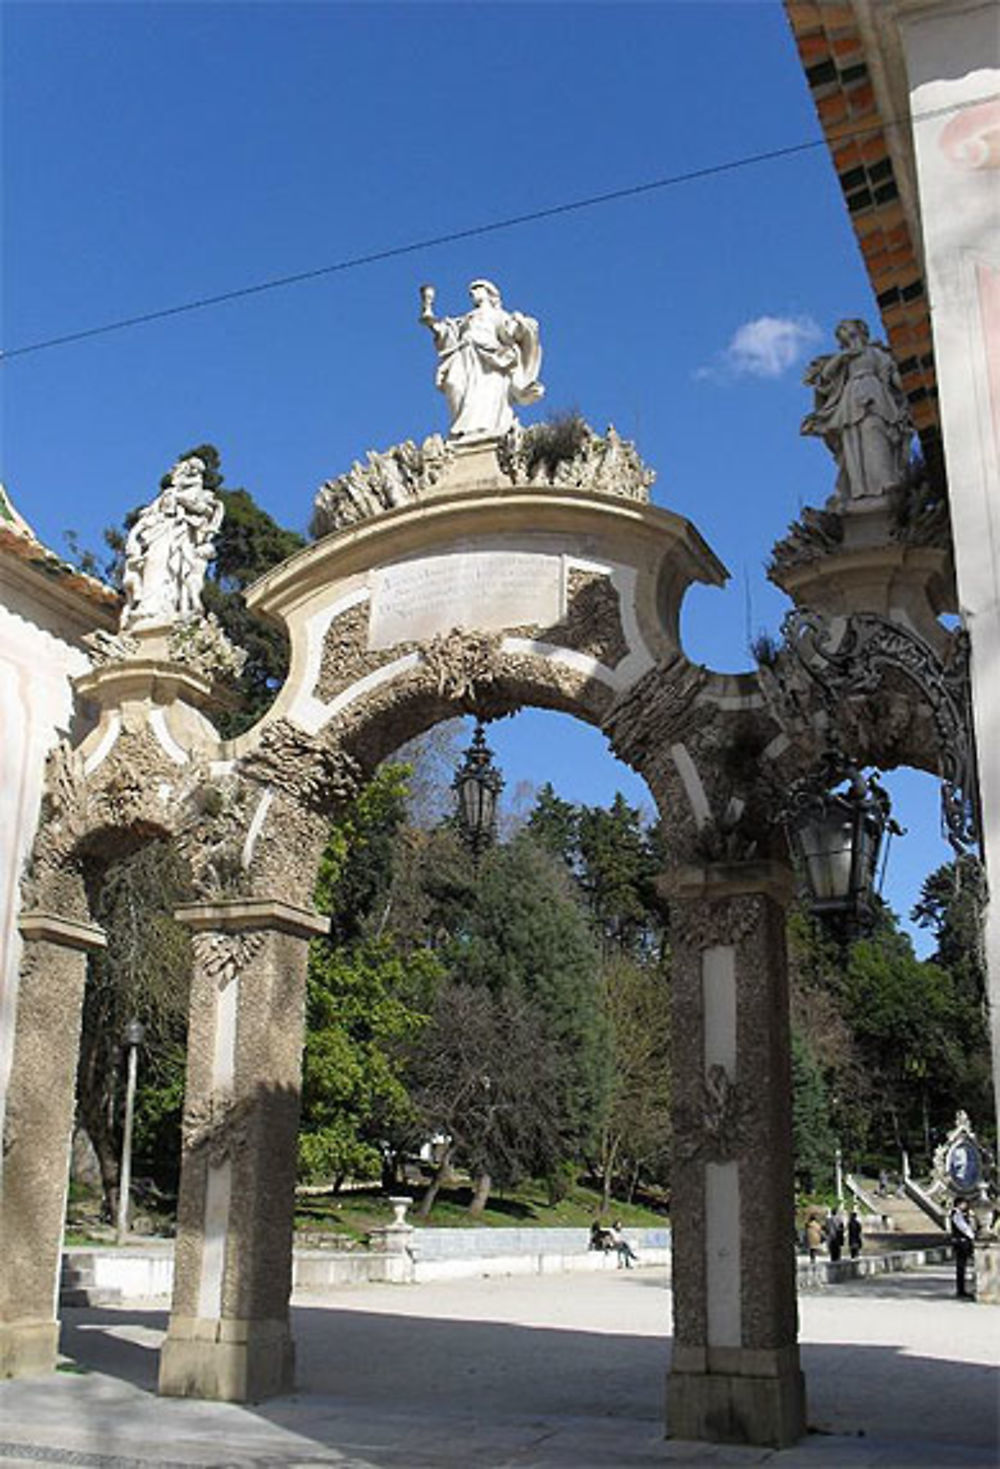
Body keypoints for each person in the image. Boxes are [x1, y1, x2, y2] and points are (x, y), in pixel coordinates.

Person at [801, 318, 913, 506]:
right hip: (851, 401)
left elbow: (892, 376)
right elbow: (826, 377)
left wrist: (909, 385)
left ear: (860, 330)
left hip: (876, 394)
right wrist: (842, 357)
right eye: (840, 331)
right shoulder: (844, 359)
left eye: (846, 328)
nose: (844, 332)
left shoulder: (875, 353)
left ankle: (885, 481)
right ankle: (858, 489)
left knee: (875, 431)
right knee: (852, 441)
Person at [419, 278, 544, 439]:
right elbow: (448, 335)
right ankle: (461, 431)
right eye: (472, 290)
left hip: (490, 358)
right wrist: (432, 323)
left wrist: (522, 324)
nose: (472, 293)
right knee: (453, 384)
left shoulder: (498, 315)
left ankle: (480, 432)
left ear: (489, 294)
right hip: (464, 354)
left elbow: (511, 334)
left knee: (485, 394)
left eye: (477, 289)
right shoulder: (466, 317)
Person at [122, 456, 224, 629]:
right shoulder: (168, 494)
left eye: (196, 472)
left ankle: (165, 608)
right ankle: (149, 607)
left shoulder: (201, 495)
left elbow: (204, 511)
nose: (192, 475)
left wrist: (183, 501)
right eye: (189, 470)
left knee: (173, 569)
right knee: (153, 565)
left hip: (179, 536)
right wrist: (135, 536)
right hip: (159, 534)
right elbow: (147, 516)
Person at [950, 1197, 977, 1298]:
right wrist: (973, 1236)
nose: (965, 1206)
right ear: (959, 1204)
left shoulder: (961, 1214)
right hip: (962, 1243)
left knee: (963, 1266)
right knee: (961, 1266)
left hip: (962, 1242)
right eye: (964, 1204)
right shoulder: (956, 1214)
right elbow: (964, 1228)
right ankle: (961, 1290)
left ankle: (963, 1289)